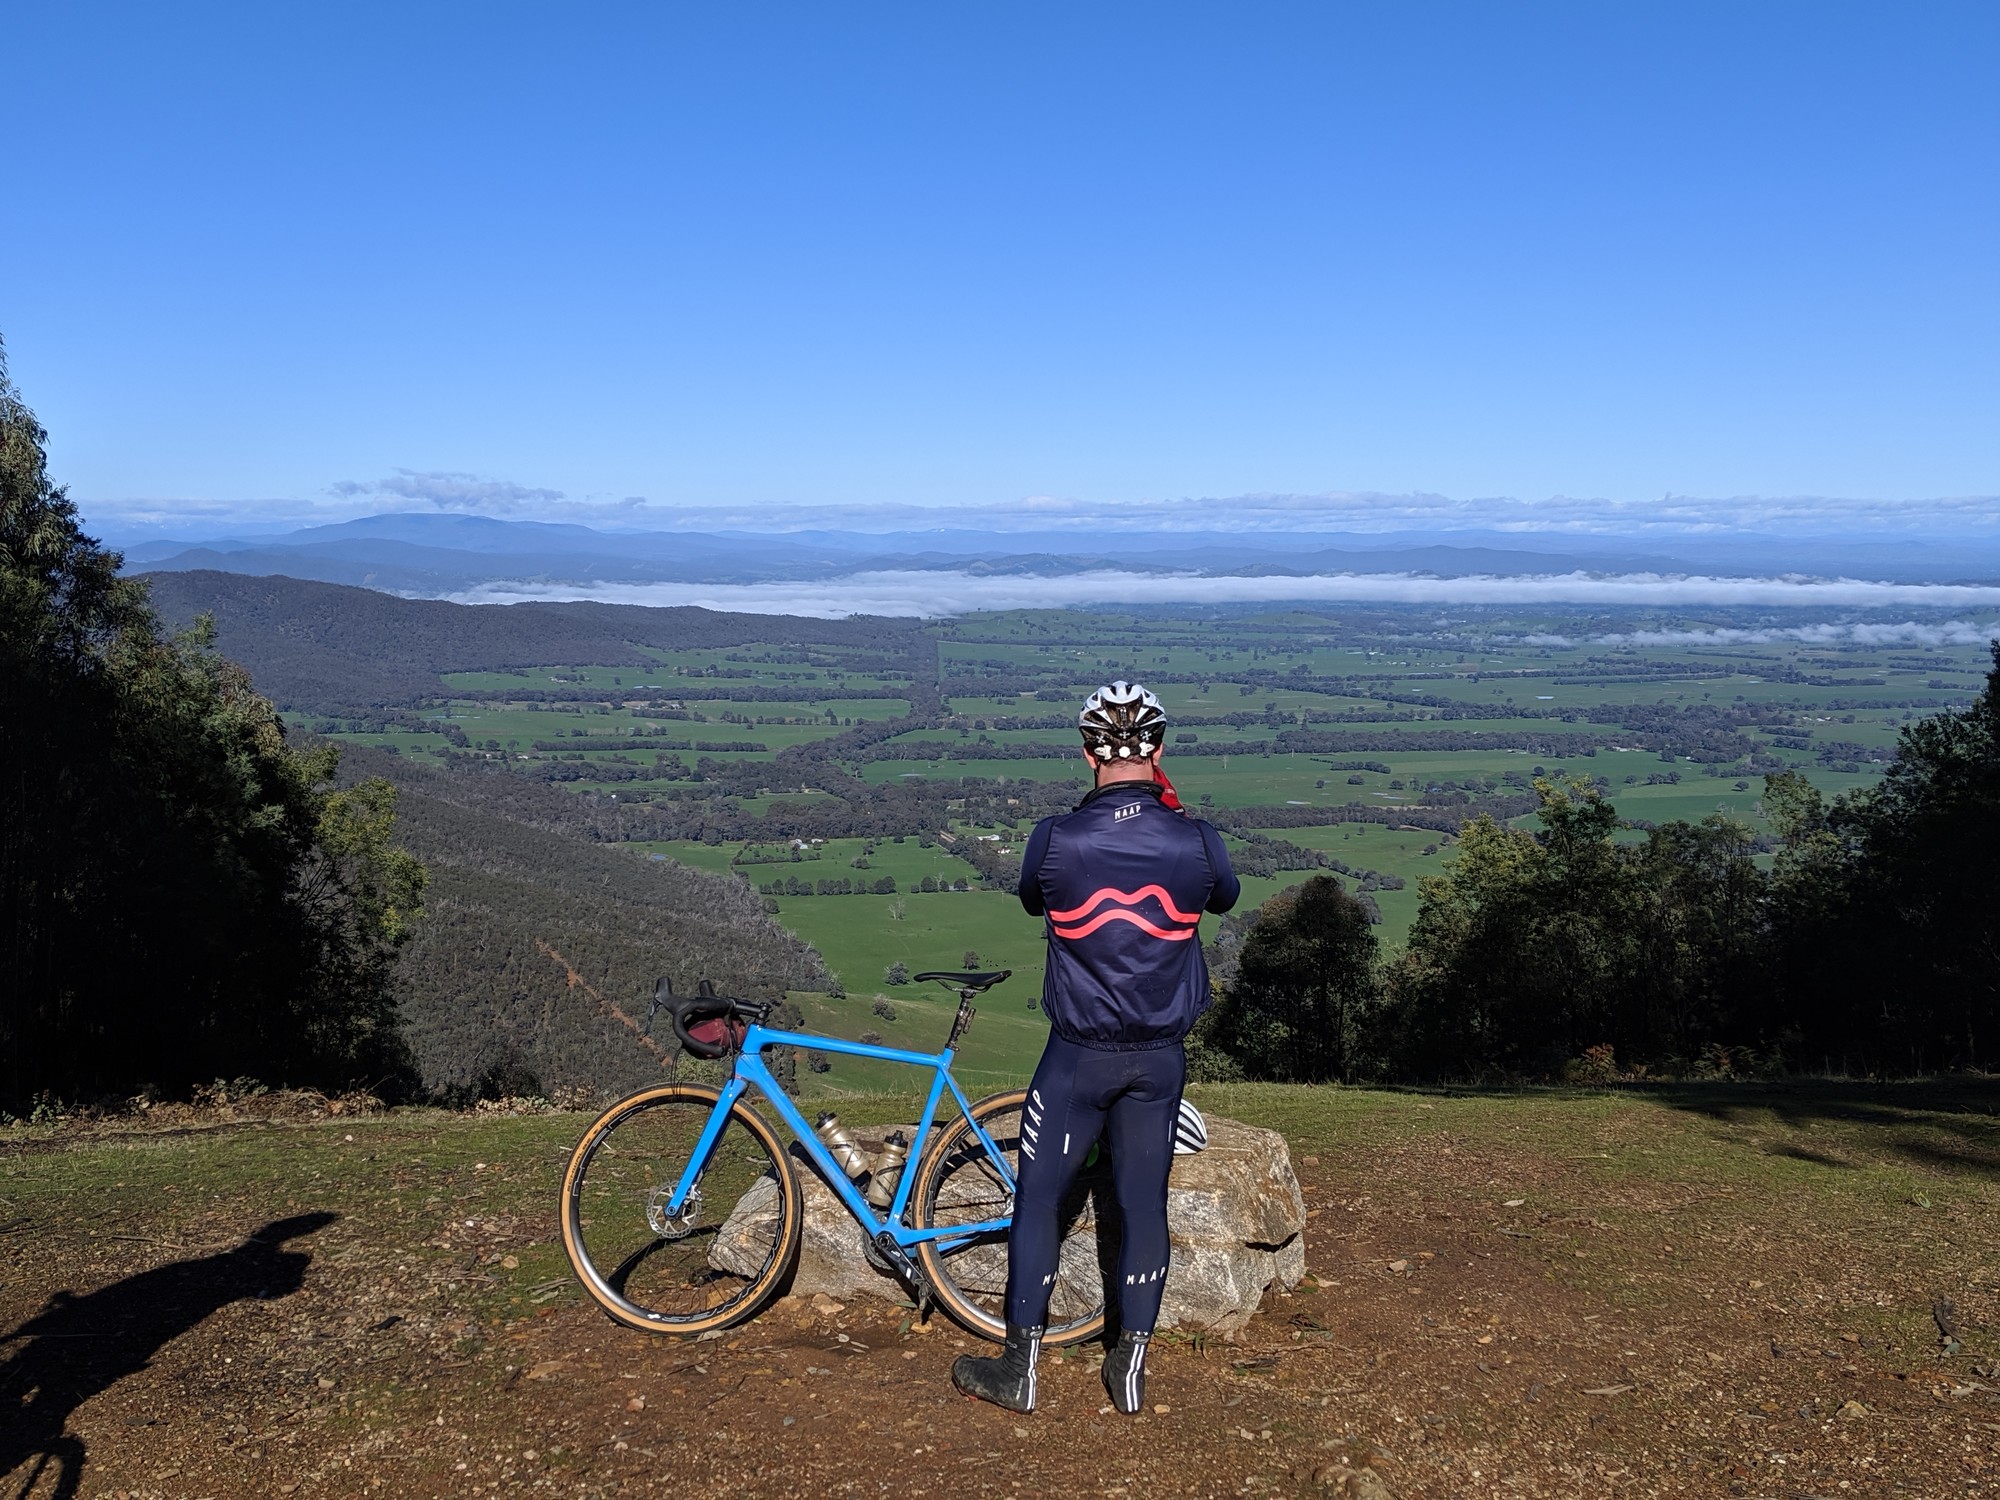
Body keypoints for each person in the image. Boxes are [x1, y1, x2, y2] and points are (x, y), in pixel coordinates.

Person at [953, 681, 1239, 1416]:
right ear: (1160, 750)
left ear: (1087, 754)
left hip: (1077, 1054)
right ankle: (1130, 1370)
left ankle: (1019, 1370)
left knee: (1039, 1201)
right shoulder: (1197, 841)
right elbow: (1225, 897)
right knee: (1145, 1206)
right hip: (1160, 1056)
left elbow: (1030, 897)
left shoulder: (1055, 839)